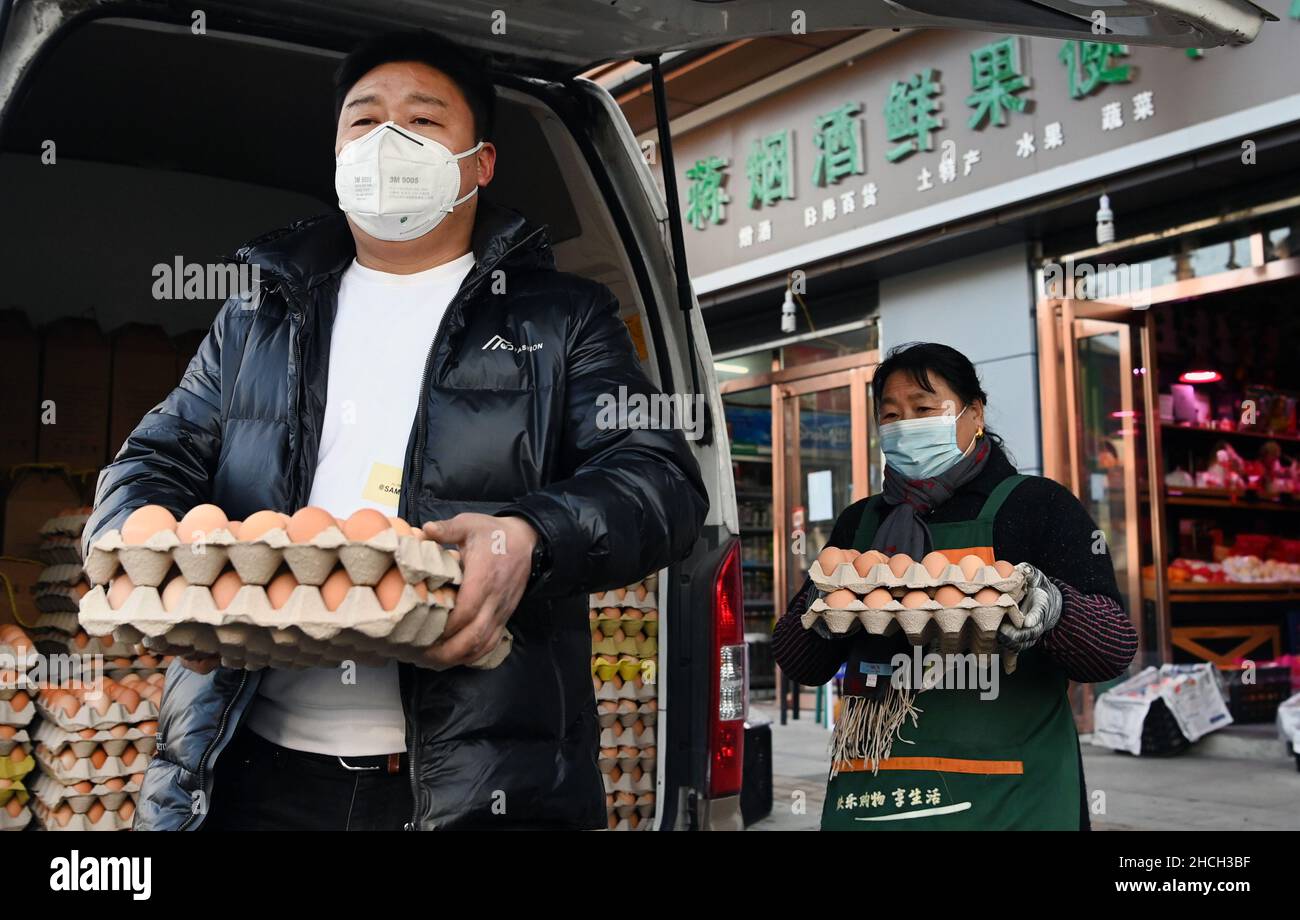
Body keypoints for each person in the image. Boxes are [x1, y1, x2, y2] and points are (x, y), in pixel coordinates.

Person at [83, 31, 708, 831]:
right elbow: (157, 456)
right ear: (337, 152)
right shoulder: (259, 312)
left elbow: (661, 481)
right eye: (364, 121)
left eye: (421, 122)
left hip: (468, 784)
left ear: (479, 163)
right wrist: (149, 550)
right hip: (244, 767)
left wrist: (529, 536)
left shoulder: (560, 319)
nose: (387, 142)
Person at [772, 342, 1136, 830]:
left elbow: (1112, 648)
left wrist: (1054, 609)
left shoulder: (1036, 506)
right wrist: (826, 605)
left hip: (1007, 789)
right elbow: (800, 664)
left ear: (975, 411)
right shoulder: (860, 523)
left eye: (924, 409)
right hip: (880, 784)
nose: (905, 427)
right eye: (891, 415)